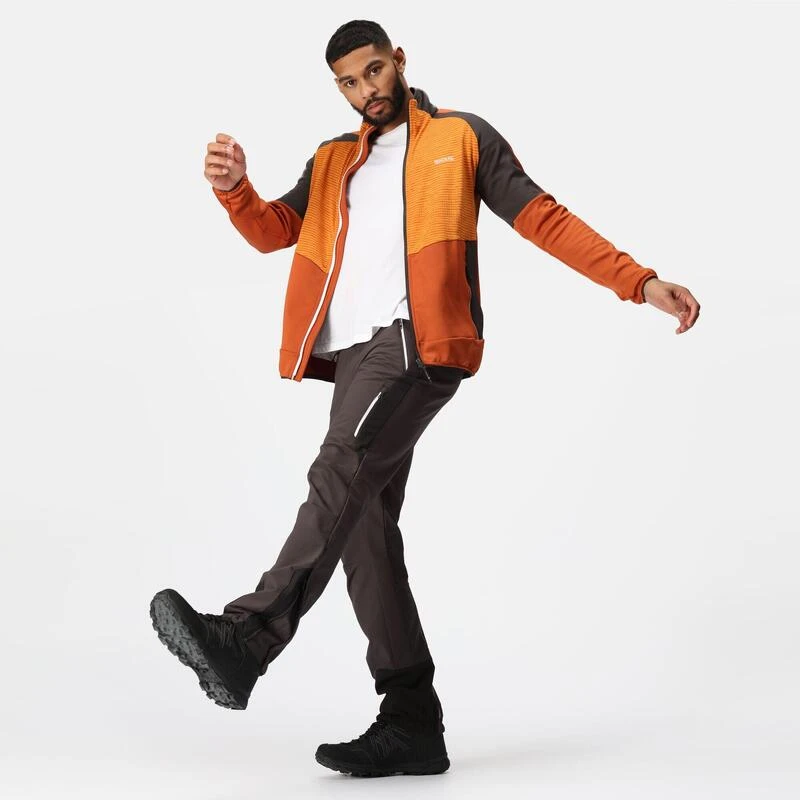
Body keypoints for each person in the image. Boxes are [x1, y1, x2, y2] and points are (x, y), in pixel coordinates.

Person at [149, 19, 701, 778]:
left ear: (399, 60)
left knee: (338, 472)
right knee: (364, 528)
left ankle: (248, 637)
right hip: (353, 356)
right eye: (349, 82)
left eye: (374, 71)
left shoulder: (460, 138)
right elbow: (276, 231)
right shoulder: (334, 158)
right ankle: (412, 720)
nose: (366, 91)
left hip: (416, 341)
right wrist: (233, 190)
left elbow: (542, 216)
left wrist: (638, 281)